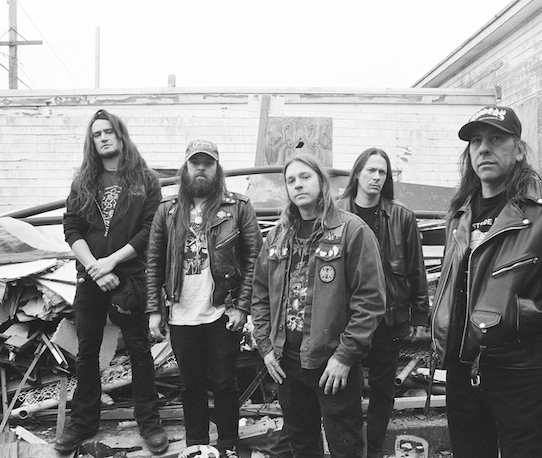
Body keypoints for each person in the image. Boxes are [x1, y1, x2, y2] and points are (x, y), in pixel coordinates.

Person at [430, 106, 542, 458]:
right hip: (459, 370)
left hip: (519, 372)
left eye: (496, 138)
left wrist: (520, 314)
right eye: (476, 141)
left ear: (518, 149)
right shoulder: (460, 212)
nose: (484, 148)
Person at [251, 154, 386, 458]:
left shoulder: (352, 230)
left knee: (345, 445)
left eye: (305, 177)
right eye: (291, 180)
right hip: (286, 363)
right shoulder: (277, 236)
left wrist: (346, 356)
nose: (298, 185)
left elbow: (371, 301)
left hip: (332, 364)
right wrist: (266, 347)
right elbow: (259, 293)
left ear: (322, 182)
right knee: (301, 444)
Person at [57, 109, 168, 454]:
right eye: (96, 134)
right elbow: (71, 227)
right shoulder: (83, 180)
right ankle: (83, 421)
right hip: (91, 276)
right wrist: (95, 267)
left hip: (130, 275)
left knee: (139, 350)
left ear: (120, 135)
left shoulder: (145, 179)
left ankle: (149, 422)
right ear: (91, 142)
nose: (103, 137)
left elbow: (150, 230)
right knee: (87, 351)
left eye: (108, 131)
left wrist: (112, 262)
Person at [146, 139, 262, 457]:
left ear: (217, 169)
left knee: (225, 382)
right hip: (181, 313)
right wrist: (154, 310)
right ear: (185, 168)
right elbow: (154, 262)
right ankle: (197, 446)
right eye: (195, 162)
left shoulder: (239, 208)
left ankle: (227, 445)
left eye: (207, 163)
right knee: (191, 385)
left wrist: (242, 307)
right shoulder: (167, 210)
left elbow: (255, 260)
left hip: (222, 311)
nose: (201, 168)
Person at [338, 148, 429, 458]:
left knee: (383, 389)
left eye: (382, 172)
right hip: (347, 318)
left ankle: (374, 449)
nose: (376, 177)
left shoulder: (401, 216)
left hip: (388, 318)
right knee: (345, 388)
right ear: (357, 174)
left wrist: (419, 315)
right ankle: (352, 450)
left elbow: (416, 268)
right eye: (371, 170)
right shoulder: (336, 213)